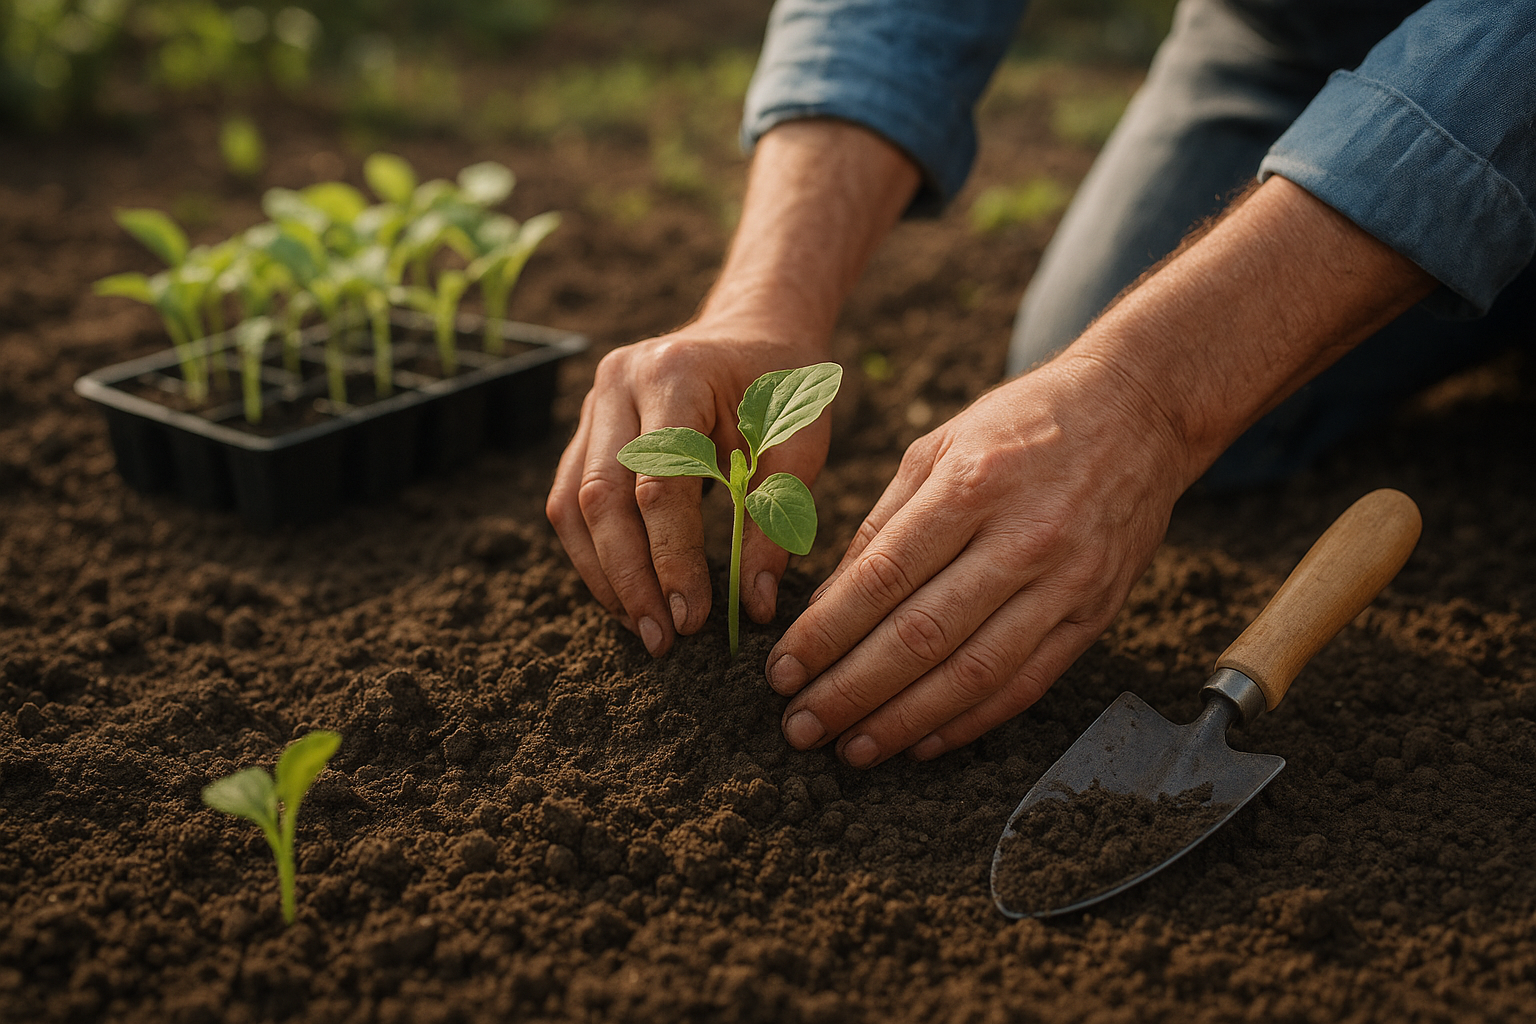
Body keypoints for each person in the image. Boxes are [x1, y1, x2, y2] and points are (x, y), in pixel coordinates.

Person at [546, 0, 1535, 768]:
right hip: (1303, 25)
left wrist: (1149, 397)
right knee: (1079, 343)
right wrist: (764, 304)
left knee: (1137, 375)